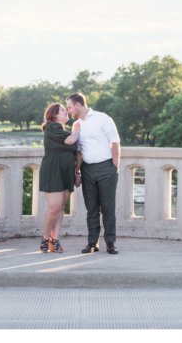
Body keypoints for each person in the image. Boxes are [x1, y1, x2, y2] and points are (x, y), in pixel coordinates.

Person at [66, 93, 121, 254]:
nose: (68, 111)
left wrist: (114, 168)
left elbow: (115, 142)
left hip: (106, 168)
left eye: (69, 107)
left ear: (78, 105)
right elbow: (78, 152)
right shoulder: (76, 125)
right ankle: (92, 243)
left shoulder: (102, 118)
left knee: (108, 207)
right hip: (87, 170)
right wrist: (77, 172)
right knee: (91, 208)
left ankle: (110, 242)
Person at [38, 103, 82, 253]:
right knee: (55, 207)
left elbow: (76, 153)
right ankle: (45, 238)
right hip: (53, 171)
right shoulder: (52, 127)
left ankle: (54, 240)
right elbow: (70, 142)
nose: (67, 112)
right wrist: (77, 129)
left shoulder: (64, 131)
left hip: (66, 172)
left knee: (61, 207)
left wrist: (77, 173)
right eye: (63, 110)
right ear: (55, 115)